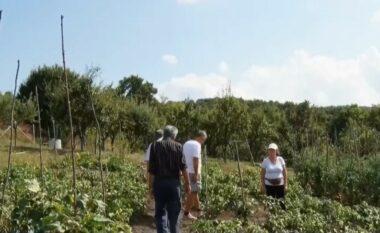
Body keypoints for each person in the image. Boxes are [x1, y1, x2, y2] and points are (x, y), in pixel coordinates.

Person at [148, 125, 191, 233]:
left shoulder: (154, 146)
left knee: (160, 213)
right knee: (174, 215)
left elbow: (151, 170)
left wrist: (151, 186)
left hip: (159, 183)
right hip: (173, 184)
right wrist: (187, 184)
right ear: (174, 135)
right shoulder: (178, 146)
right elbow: (183, 167)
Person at [183, 130, 207, 220]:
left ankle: (198, 209)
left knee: (194, 190)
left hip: (186, 171)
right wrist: (196, 174)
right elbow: (195, 159)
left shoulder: (186, 143)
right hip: (193, 172)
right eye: (203, 139)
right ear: (200, 137)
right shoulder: (197, 145)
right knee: (193, 192)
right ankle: (186, 213)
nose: (203, 142)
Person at [260, 143, 287, 209]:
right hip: (269, 185)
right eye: (270, 150)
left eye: (273, 150)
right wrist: (263, 185)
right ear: (268, 151)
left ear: (276, 151)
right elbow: (262, 174)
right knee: (270, 203)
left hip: (280, 185)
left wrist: (286, 185)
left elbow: (285, 172)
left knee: (281, 203)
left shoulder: (280, 159)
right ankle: (271, 217)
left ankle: (282, 216)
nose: (272, 152)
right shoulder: (265, 161)